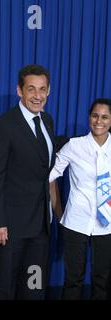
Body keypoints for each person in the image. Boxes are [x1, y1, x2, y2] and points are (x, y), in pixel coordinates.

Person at [0, 64, 55, 300]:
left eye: (42, 89)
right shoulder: (3, 126)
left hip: (40, 227)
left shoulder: (47, 121)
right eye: (31, 89)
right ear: (19, 91)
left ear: (49, 91)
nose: (37, 96)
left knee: (34, 288)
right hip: (9, 228)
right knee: (5, 288)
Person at [49, 98, 111, 300]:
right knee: (73, 280)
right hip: (76, 222)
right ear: (89, 118)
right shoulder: (74, 146)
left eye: (104, 117)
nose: (99, 121)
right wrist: (59, 212)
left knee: (102, 281)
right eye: (95, 116)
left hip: (107, 225)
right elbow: (50, 177)